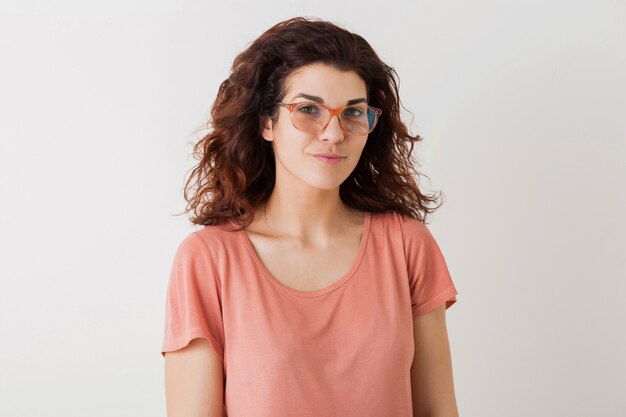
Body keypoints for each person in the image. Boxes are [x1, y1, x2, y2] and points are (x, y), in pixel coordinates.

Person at [161, 16, 460, 417]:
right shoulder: (209, 260)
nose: (334, 133)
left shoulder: (407, 245)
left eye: (353, 113)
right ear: (267, 121)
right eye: (308, 109)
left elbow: (439, 411)